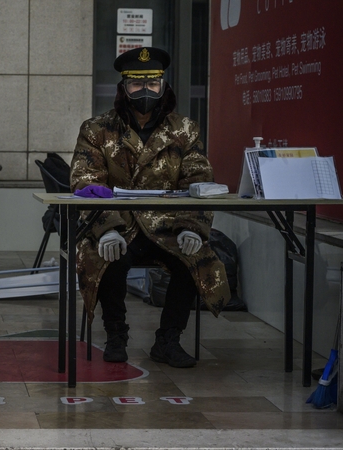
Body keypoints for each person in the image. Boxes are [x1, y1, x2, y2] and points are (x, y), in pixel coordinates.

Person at [70, 47, 230, 368]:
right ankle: (116, 334)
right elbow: (84, 182)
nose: (145, 92)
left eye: (152, 84)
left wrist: (193, 227)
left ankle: (168, 339)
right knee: (105, 258)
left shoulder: (184, 130)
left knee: (195, 258)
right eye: (136, 85)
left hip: (167, 227)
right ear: (123, 88)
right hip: (120, 227)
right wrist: (106, 229)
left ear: (163, 86)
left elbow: (199, 179)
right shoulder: (97, 129)